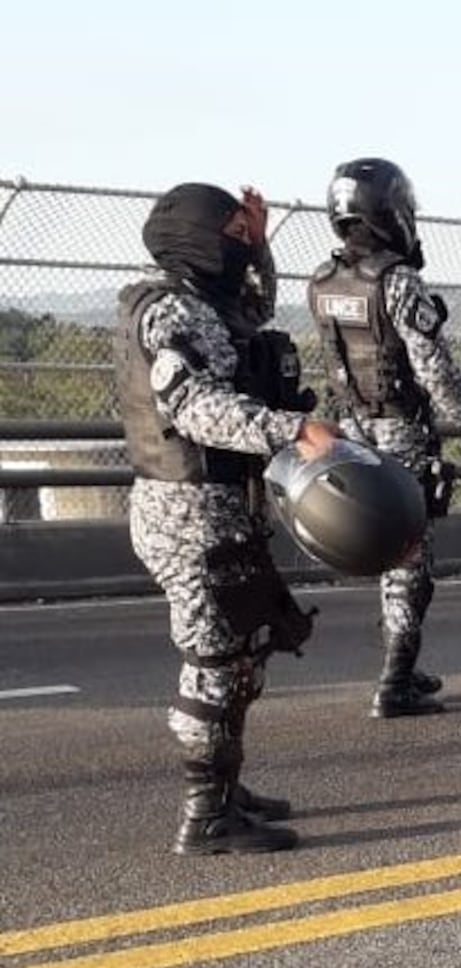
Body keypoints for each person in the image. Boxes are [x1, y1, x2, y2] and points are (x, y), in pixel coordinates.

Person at [114, 182, 338, 854]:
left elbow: (256, 310)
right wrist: (293, 429)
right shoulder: (171, 315)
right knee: (213, 663)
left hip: (220, 511)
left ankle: (227, 785)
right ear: (197, 235)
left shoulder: (208, 305)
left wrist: (263, 246)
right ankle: (204, 814)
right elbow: (196, 408)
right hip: (189, 514)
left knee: (245, 652)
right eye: (235, 232)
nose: (243, 244)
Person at [309, 158, 461, 718]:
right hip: (401, 433)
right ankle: (394, 680)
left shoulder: (320, 282)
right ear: (389, 211)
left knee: (390, 560)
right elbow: (433, 367)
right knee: (409, 559)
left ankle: (403, 669)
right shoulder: (396, 281)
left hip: (351, 431)